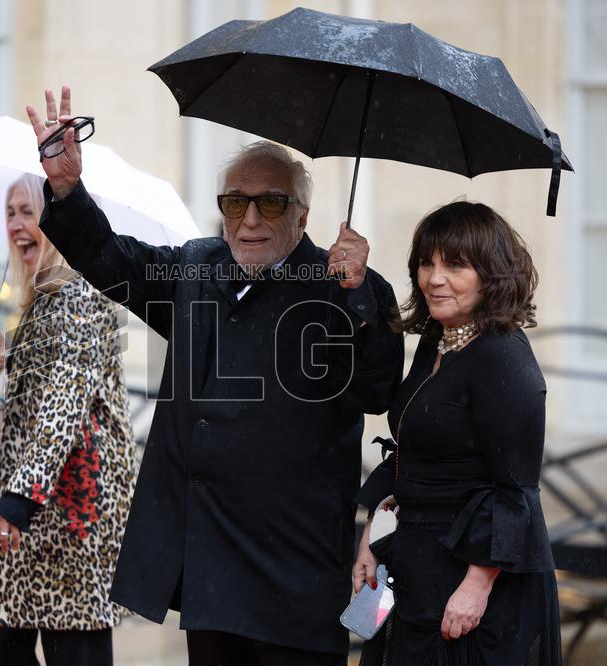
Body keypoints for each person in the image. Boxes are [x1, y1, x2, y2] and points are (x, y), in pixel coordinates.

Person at [28, 86, 404, 665]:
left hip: (295, 571)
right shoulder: (196, 265)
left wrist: (357, 295)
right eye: (235, 203)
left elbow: (378, 390)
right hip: (211, 563)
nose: (249, 219)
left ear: (302, 215)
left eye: (270, 204)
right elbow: (110, 260)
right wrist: (67, 189)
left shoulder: (342, 283)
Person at [352, 201, 562, 665]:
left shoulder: (501, 355)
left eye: (455, 265)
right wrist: (375, 530)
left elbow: (516, 490)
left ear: (492, 275)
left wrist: (477, 584)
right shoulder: (438, 339)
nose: (434, 278)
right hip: (419, 565)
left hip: (473, 585)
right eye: (427, 262)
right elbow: (418, 448)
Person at [0, 173, 138, 666]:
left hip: (74, 517)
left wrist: (16, 502)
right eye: (11, 212)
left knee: (67, 642)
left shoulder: (79, 296)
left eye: (29, 211)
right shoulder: (42, 302)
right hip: (36, 513)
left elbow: (63, 409)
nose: (18, 224)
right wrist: (0, 378)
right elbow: (25, 424)